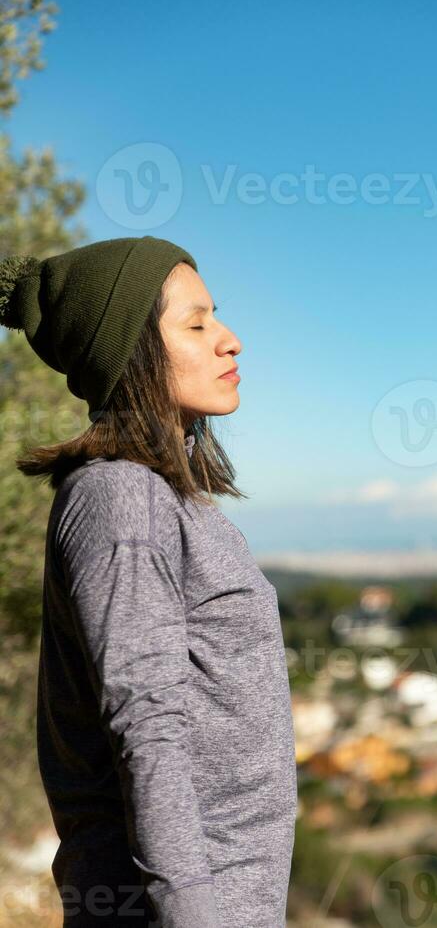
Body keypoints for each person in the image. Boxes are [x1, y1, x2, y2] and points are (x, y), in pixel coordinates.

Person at [0, 236, 298, 927]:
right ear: (129, 351)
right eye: (195, 324)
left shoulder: (167, 499)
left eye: (216, 317)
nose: (231, 341)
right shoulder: (120, 497)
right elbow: (147, 732)